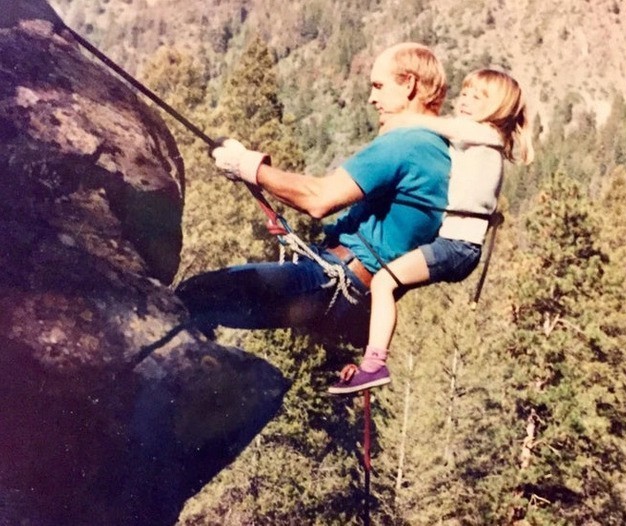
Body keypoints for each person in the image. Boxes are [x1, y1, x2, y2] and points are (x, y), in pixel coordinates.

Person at [175, 42, 452, 344]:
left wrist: (244, 165)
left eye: (379, 86)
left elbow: (318, 199)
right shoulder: (439, 149)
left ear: (409, 84)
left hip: (333, 282)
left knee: (194, 295)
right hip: (355, 294)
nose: (372, 98)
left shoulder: (405, 143)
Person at [328, 68, 535, 394]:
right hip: (458, 247)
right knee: (388, 285)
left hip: (456, 247)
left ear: (498, 108)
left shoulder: (483, 133)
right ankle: (362, 350)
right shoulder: (486, 142)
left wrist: (402, 120)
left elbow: (444, 127)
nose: (465, 101)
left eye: (477, 97)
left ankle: (374, 365)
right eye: (464, 93)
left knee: (383, 281)